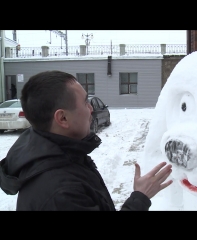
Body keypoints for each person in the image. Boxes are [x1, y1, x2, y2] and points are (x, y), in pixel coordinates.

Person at [0, 70, 173, 211]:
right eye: (85, 103)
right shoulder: (60, 193)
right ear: (63, 118)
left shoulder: (58, 155)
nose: (91, 109)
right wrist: (140, 198)